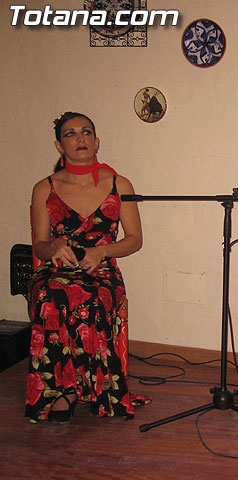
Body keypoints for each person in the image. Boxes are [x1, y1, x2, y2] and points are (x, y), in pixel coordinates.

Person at [26, 111, 145, 423]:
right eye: (70, 133)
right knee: (52, 298)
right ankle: (60, 392)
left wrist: (102, 251)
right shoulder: (44, 188)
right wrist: (52, 246)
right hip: (55, 271)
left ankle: (98, 387)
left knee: (90, 299)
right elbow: (39, 244)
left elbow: (134, 240)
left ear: (97, 141)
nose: (79, 138)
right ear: (58, 145)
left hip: (101, 271)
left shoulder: (119, 183)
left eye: (86, 132)